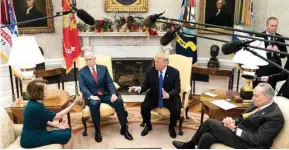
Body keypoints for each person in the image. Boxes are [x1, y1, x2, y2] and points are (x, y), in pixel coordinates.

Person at [172, 83, 284, 149]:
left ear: (267, 98)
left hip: (249, 144)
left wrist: (234, 129)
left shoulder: (275, 117)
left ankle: (190, 145)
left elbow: (257, 139)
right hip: (240, 131)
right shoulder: (257, 103)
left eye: (256, 96)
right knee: (207, 136)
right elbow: (242, 117)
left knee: (210, 122)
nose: (252, 98)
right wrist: (232, 121)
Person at [79, 52, 133, 142]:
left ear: (94, 59)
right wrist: (91, 96)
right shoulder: (82, 71)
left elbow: (109, 82)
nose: (88, 61)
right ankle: (97, 130)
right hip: (92, 96)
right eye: (86, 60)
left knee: (118, 101)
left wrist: (113, 94)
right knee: (94, 104)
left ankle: (124, 129)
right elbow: (82, 86)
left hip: (105, 94)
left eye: (90, 59)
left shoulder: (103, 68)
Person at [129, 52, 181, 138]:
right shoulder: (150, 71)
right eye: (155, 61)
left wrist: (168, 94)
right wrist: (140, 88)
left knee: (176, 109)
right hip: (154, 95)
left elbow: (177, 89)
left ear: (165, 63)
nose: (155, 64)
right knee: (144, 107)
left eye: (158, 62)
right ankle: (148, 125)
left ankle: (171, 127)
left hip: (169, 97)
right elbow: (146, 85)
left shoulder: (174, 72)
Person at [20, 79, 81, 148]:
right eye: (45, 89)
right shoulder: (36, 107)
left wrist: (57, 126)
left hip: (34, 135)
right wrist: (74, 104)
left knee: (65, 130)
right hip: (32, 139)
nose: (48, 90)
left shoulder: (34, 102)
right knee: (66, 133)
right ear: (38, 92)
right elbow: (57, 116)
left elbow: (41, 119)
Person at [254, 17, 288, 89]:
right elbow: (254, 53)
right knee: (260, 89)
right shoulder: (259, 36)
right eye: (272, 26)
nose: (274, 28)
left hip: (275, 69)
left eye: (276, 26)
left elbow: (285, 54)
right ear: (266, 25)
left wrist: (278, 52)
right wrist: (266, 51)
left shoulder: (280, 37)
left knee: (271, 90)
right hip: (262, 69)